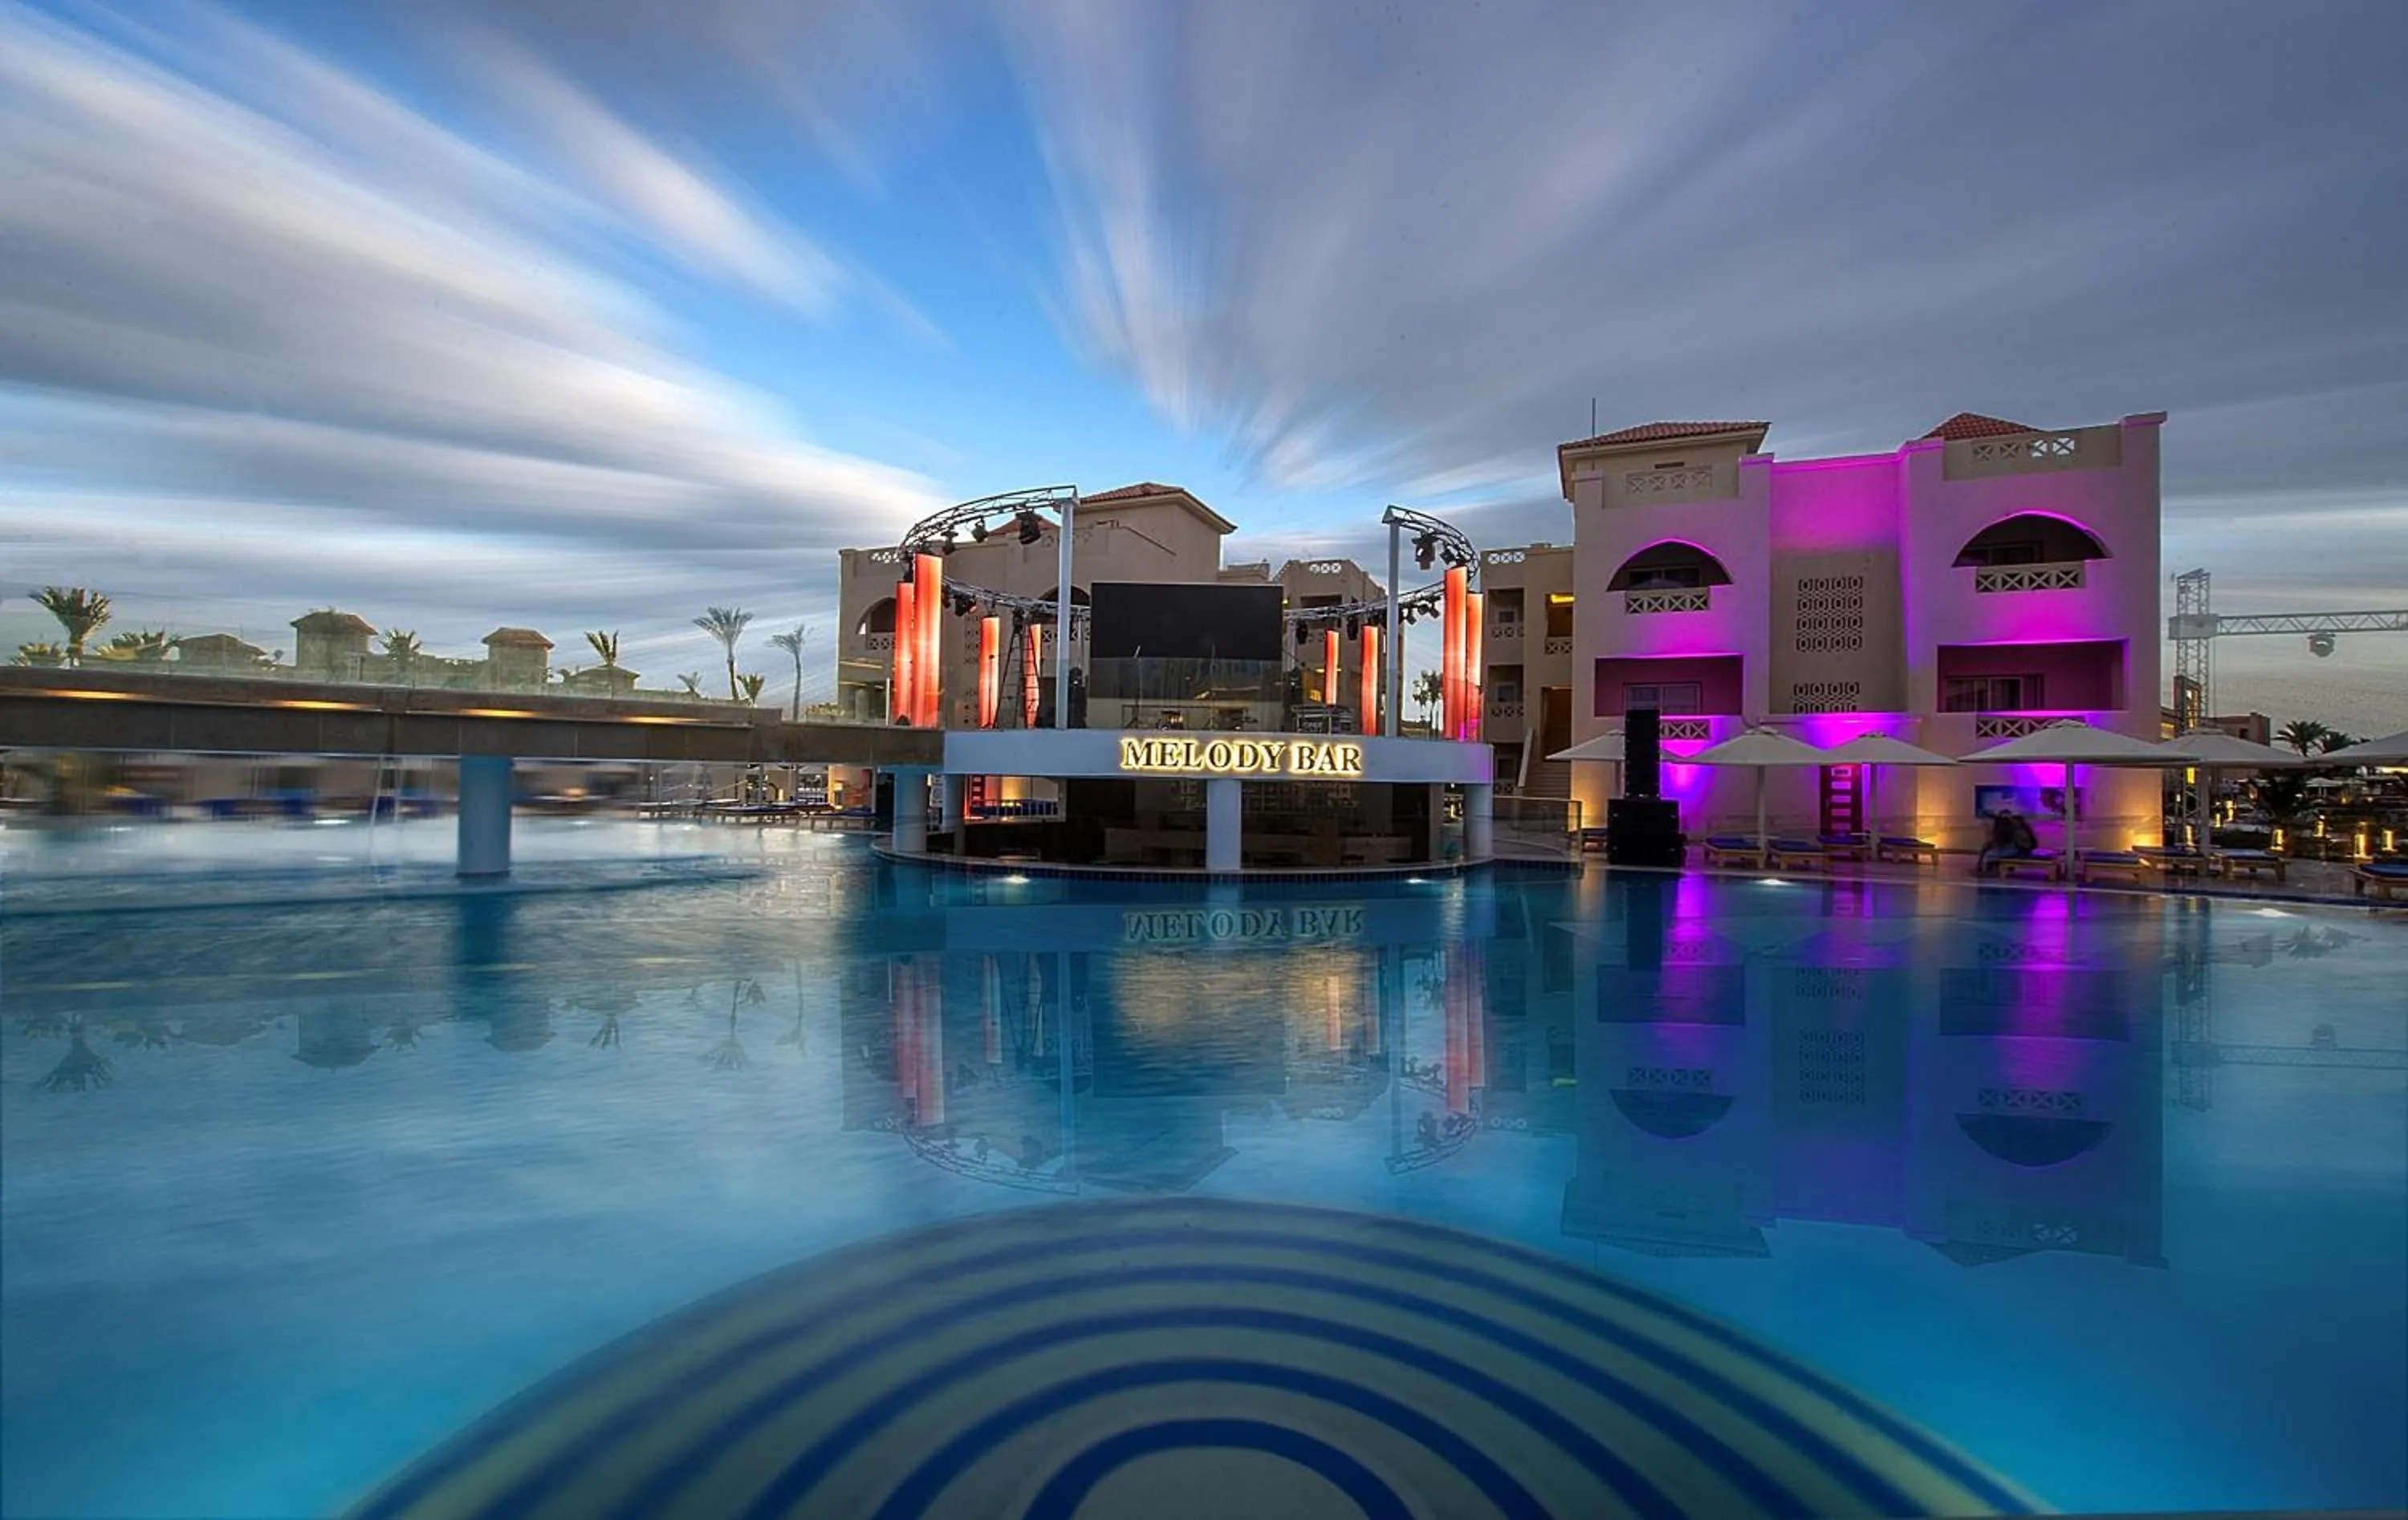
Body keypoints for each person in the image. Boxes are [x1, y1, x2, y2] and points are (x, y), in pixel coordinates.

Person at [1974, 807, 2037, 876]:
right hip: (2020, 848)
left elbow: (2004, 840)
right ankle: (1991, 870)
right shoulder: (2020, 825)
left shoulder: (2013, 826)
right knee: (1991, 849)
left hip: (2019, 849)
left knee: (1990, 854)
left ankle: (1991, 871)